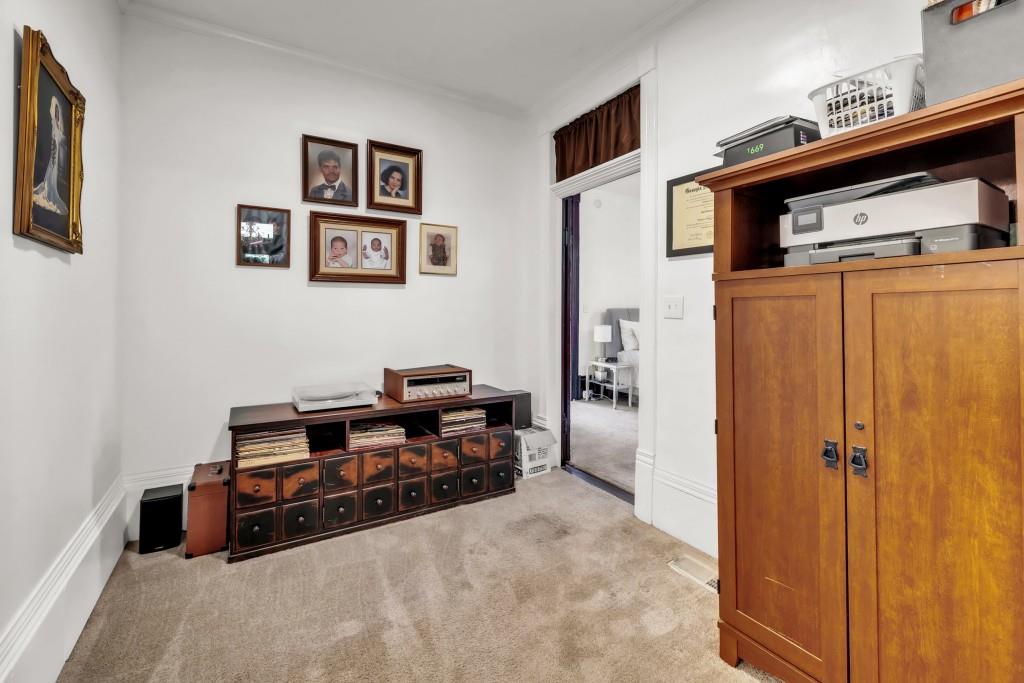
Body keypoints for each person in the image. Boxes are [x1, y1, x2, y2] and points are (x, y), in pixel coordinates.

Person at [32, 96, 68, 215]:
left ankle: (50, 188)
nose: (56, 113)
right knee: (50, 170)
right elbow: (55, 140)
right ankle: (47, 186)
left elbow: (60, 140)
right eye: (55, 111)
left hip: (55, 153)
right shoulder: (54, 125)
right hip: (53, 151)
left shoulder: (58, 128)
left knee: (53, 170)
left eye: (57, 111)